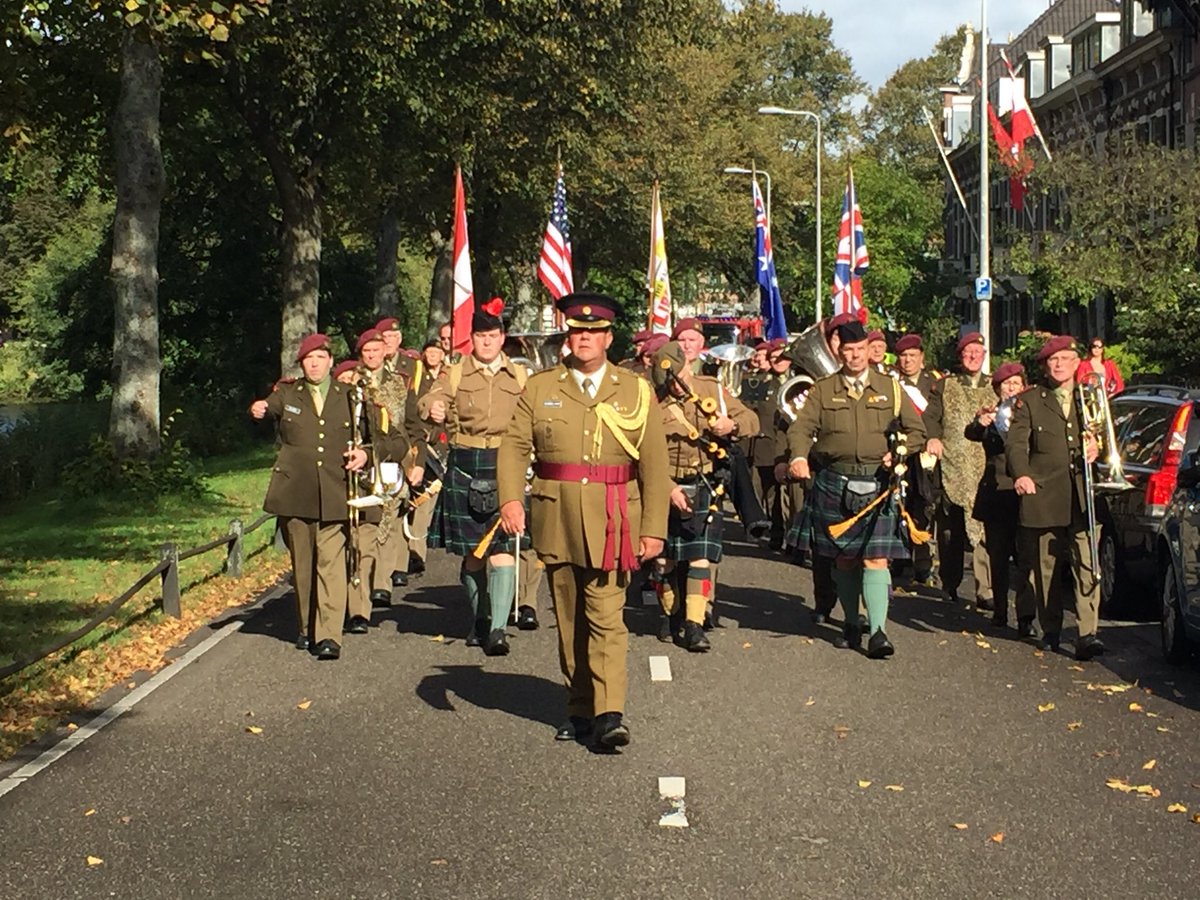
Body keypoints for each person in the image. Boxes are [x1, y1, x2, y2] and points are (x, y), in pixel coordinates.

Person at [497, 291, 670, 750]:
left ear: (608, 338)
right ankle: (578, 706)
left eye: (594, 332)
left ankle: (610, 711)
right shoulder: (540, 387)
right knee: (570, 617)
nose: (585, 339)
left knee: (607, 617)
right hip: (556, 516)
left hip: (615, 517)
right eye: (577, 332)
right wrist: (511, 500)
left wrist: (654, 527)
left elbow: (654, 461)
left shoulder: (634, 389)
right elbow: (515, 446)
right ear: (568, 338)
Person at [785, 320, 926, 658]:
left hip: (878, 481)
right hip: (836, 478)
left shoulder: (890, 388)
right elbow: (801, 429)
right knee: (846, 559)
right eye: (848, 351)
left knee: (877, 558)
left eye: (860, 350)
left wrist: (901, 451)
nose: (855, 356)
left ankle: (878, 632)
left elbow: (917, 430)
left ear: (868, 350)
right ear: (839, 352)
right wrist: (799, 457)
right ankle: (851, 620)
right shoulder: (822, 389)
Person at [420, 297, 529, 655]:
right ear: (473, 339)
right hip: (466, 462)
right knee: (473, 555)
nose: (486, 341)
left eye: (492, 335)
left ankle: (498, 628)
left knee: (502, 550)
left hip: (506, 462)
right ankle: (481, 617)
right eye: (480, 336)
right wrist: (432, 408)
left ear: (502, 338)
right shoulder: (454, 372)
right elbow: (429, 398)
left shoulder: (520, 376)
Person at [249, 334, 368, 660]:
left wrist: (365, 455)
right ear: (301, 365)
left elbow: (379, 438)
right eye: (308, 359)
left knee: (330, 563)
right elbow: (269, 408)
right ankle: (306, 626)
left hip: (335, 490)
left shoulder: (351, 396)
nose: (314, 364)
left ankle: (329, 635)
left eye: (320, 358)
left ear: (331, 361)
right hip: (295, 492)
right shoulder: (288, 392)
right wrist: (259, 408)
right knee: (303, 566)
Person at [651, 339, 759, 651]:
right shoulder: (650, 402)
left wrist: (732, 424)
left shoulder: (712, 390)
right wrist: (667, 487)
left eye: (680, 379)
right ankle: (671, 614)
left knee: (700, 557)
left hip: (705, 483)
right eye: (670, 383)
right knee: (662, 561)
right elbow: (640, 452)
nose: (676, 387)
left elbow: (753, 420)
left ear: (688, 366)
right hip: (664, 485)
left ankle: (694, 625)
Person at [1006, 335, 1105, 660]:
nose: (1060, 365)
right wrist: (1021, 474)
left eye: (1066, 359)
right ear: (1045, 366)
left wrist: (1098, 447)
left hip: (1083, 493)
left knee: (1087, 563)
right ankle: (1050, 628)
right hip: (1045, 492)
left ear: (1078, 363)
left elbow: (1105, 435)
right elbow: (1016, 444)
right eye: (1054, 360)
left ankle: (1088, 633)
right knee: (1045, 566)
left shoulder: (1089, 396)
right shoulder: (1031, 400)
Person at [965, 361, 1036, 636]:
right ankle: (1000, 611)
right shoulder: (992, 414)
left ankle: (1026, 616)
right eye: (1006, 385)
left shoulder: (1031, 414)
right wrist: (979, 422)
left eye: (1016, 383)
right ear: (997, 389)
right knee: (998, 553)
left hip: (1023, 492)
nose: (1011, 389)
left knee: (1026, 556)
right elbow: (971, 433)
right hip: (996, 491)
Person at [924, 332, 994, 609]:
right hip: (952, 464)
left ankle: (984, 589)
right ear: (960, 356)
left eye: (978, 352)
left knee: (983, 528)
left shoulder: (995, 386)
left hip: (983, 466)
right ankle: (950, 582)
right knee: (950, 530)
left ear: (985, 355)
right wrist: (933, 437)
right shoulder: (944, 386)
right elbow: (930, 417)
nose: (973, 356)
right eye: (968, 352)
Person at [893, 333, 942, 586]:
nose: (908, 360)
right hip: (899, 451)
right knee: (897, 505)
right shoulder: (890, 383)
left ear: (922, 359)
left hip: (924, 456)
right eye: (903, 356)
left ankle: (923, 562)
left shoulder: (934, 384)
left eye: (913, 356)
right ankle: (899, 556)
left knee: (923, 508)